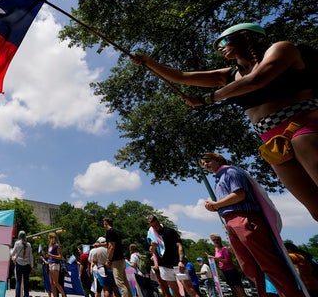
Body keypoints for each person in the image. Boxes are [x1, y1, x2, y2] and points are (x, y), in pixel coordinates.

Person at [132, 23, 318, 222]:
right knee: (315, 210)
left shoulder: (281, 49)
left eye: (224, 40)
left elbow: (256, 80)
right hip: (271, 142)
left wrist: (208, 98)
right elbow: (181, 77)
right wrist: (148, 62)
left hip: (303, 127)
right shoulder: (229, 75)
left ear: (248, 36)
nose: (220, 47)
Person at [201, 153, 303, 297]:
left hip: (244, 218)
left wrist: (216, 204)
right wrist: (216, 207)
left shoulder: (231, 172)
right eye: (202, 164)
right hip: (230, 221)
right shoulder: (218, 178)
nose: (205, 165)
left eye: (207, 161)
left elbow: (240, 194)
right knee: (249, 266)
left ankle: (291, 293)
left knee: (268, 262)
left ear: (218, 159)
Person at [146, 214, 186, 297]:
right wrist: (153, 246)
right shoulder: (151, 235)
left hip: (176, 264)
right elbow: (151, 250)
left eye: (156, 224)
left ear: (158, 221)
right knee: (174, 290)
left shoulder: (169, 231)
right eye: (152, 226)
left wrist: (181, 261)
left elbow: (180, 246)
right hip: (164, 265)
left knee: (188, 288)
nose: (155, 227)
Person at [101, 217, 131, 297]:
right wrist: (100, 245)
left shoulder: (109, 232)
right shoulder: (115, 231)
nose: (103, 226)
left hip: (116, 261)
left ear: (106, 223)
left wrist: (108, 260)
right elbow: (110, 244)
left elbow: (111, 247)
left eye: (104, 224)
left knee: (120, 284)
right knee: (125, 283)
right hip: (121, 260)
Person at [11, 230, 33, 297]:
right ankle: (26, 295)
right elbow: (30, 256)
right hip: (27, 265)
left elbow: (12, 253)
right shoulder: (28, 245)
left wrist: (11, 250)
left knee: (18, 282)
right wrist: (32, 266)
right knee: (26, 282)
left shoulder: (17, 243)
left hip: (19, 265)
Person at [45, 232, 67, 297]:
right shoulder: (49, 245)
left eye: (49, 237)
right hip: (50, 264)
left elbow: (60, 257)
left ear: (51, 238)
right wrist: (47, 256)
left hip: (55, 264)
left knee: (56, 283)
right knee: (52, 283)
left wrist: (51, 255)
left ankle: (64, 295)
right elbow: (50, 255)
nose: (48, 239)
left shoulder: (57, 245)